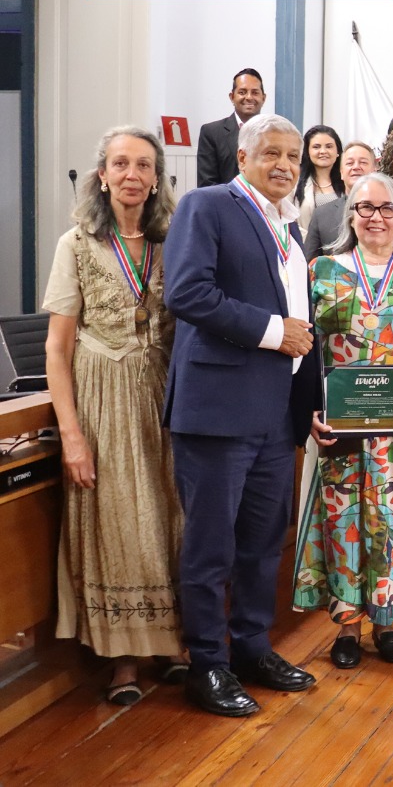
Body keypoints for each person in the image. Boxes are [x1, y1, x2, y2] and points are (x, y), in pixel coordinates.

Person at [163, 113, 321, 716]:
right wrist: (273, 331)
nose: (285, 165)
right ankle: (207, 663)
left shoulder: (287, 225)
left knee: (261, 544)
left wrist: (310, 403)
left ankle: (253, 648)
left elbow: (303, 319)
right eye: (272, 153)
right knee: (211, 548)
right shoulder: (207, 206)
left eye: (293, 156)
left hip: (276, 415)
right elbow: (187, 292)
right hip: (217, 410)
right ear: (243, 158)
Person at [43, 126, 185, 705]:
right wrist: (72, 436)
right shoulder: (76, 244)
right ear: (102, 174)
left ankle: (172, 642)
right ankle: (122, 656)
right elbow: (56, 349)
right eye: (121, 163)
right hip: (102, 399)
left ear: (156, 178)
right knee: (118, 522)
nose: (133, 174)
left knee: (171, 517)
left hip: (165, 395)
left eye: (144, 165)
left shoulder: (174, 241)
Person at [294, 171, 393, 669]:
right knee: (343, 524)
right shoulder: (320, 271)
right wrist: (308, 411)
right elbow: (304, 348)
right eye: (365, 208)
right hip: (341, 430)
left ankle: (387, 624)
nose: (376, 218)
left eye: (387, 208)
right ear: (350, 216)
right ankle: (347, 628)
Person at [195, 68, 265, 187]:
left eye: (255, 92)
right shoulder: (211, 133)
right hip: (224, 199)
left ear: (263, 98)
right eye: (242, 92)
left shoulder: (274, 134)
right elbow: (207, 184)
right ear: (232, 97)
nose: (249, 97)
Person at [305, 141, 377, 256]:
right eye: (350, 163)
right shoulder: (321, 215)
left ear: (374, 170)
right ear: (342, 173)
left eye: (363, 162)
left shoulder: (388, 212)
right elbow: (310, 262)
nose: (356, 167)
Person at [294, 124, 343, 229]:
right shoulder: (294, 182)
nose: (323, 151)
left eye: (329, 146)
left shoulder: (347, 180)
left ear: (338, 151)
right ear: (307, 152)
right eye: (316, 147)